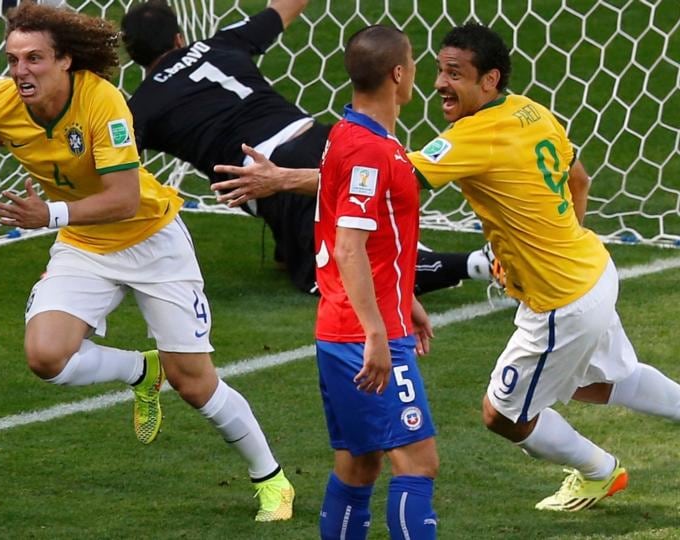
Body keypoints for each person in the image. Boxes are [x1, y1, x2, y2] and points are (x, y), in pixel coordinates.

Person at [217, 21, 680, 513]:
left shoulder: (471, 136)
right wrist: (552, 242)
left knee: (502, 415)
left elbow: (382, 179)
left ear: (489, 80)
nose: (440, 83)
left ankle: (599, 471)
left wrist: (283, 178)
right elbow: (579, 180)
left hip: (559, 302)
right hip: (593, 268)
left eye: (454, 73)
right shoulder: (533, 111)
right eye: (438, 70)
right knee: (607, 377)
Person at [0, 1, 294, 522]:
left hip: (150, 240)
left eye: (34, 59)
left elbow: (122, 198)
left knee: (195, 385)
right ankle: (141, 370)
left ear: (65, 60)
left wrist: (47, 213)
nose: (21, 71)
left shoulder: (103, 103)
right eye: (13, 60)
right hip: (85, 244)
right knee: (45, 356)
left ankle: (271, 479)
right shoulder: (0, 98)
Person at [121, 0, 496, 297]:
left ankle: (481, 264)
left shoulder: (143, 106)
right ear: (179, 38)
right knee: (350, 235)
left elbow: (111, 166)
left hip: (274, 171)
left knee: (348, 276)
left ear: (134, 56)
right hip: (324, 138)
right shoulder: (220, 43)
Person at [314, 25, 439, 539]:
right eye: (413, 63)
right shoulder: (371, 152)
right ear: (398, 73)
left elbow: (377, 238)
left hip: (344, 323)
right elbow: (348, 245)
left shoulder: (347, 135)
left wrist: (404, 296)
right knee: (417, 461)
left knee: (358, 463)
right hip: (363, 334)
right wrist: (376, 331)